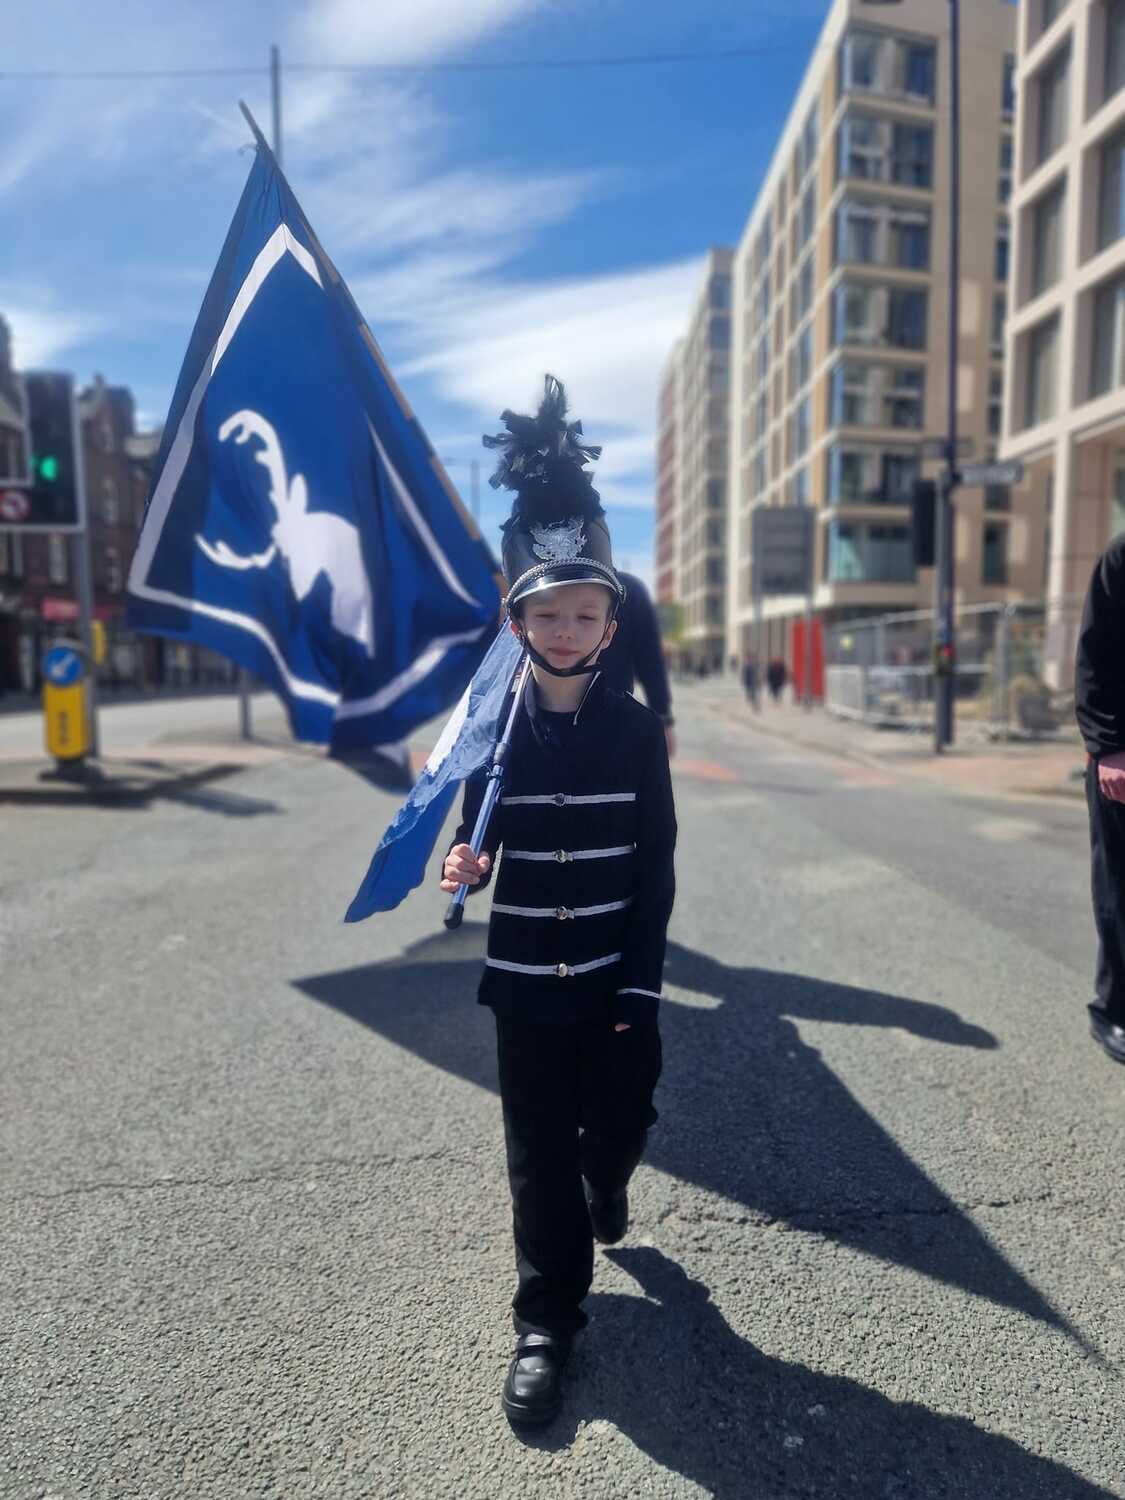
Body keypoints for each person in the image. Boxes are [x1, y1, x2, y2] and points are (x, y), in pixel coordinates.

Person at [441, 377, 677, 1426]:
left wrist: (641, 980)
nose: (569, 626)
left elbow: (657, 862)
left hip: (619, 985)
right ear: (517, 619)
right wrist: (466, 860)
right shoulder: (490, 730)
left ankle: (612, 1179)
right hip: (527, 985)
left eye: (587, 611)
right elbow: (475, 829)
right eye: (548, 611)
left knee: (614, 1124)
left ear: (613, 618)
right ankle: (547, 1318)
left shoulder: (633, 732)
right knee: (535, 1150)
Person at [1076, 534, 1125, 1065]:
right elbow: (1094, 656)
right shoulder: (1120, 558)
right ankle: (1112, 1011)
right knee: (1119, 887)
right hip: (1121, 761)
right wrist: (1109, 748)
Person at [597, 570, 676, 758]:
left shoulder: (537, 580)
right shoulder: (630, 588)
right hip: (614, 719)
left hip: (544, 720)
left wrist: (663, 718)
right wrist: (663, 717)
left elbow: (650, 659)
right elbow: (650, 660)